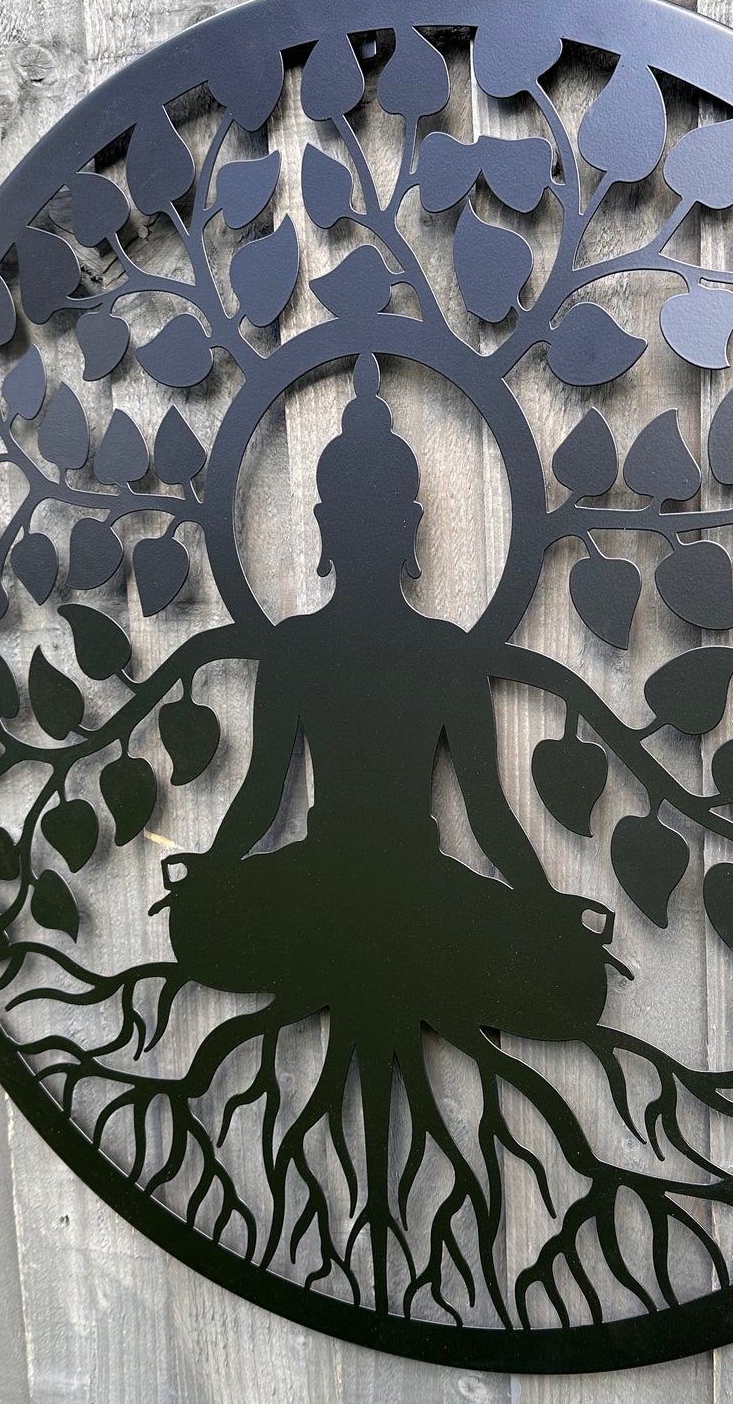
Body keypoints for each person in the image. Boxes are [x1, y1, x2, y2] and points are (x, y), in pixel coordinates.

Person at [161, 355, 617, 1042]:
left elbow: (485, 812)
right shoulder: (393, 650)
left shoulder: (357, 649)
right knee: (568, 975)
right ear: (401, 527)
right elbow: (262, 796)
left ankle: (359, 955)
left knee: (201, 923)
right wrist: (544, 909)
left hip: (345, 891)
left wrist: (215, 877)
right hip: (394, 894)